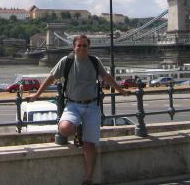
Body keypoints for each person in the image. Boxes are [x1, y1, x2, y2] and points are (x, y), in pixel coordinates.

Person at [27, 34, 129, 185]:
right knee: (64, 129)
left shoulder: (94, 61)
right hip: (73, 104)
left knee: (89, 144)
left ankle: (88, 178)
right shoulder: (66, 61)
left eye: (84, 45)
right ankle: (78, 130)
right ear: (73, 47)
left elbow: (106, 77)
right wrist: (37, 94)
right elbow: (50, 78)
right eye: (79, 45)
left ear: (89, 47)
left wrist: (121, 90)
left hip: (92, 106)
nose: (81, 48)